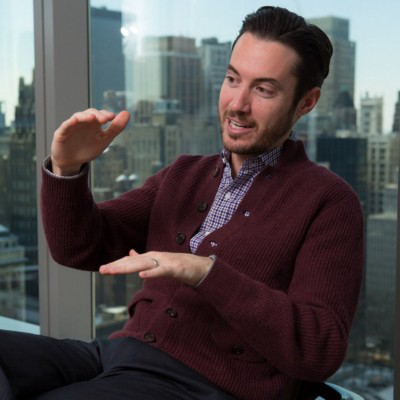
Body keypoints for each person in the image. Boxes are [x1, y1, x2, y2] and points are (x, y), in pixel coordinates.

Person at [0, 6, 364, 400]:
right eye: (232, 79)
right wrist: (67, 168)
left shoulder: (330, 202)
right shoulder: (185, 173)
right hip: (119, 353)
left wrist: (203, 271)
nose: (237, 104)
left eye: (263, 89)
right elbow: (78, 247)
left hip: (203, 385)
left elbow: (319, 347)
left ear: (306, 102)